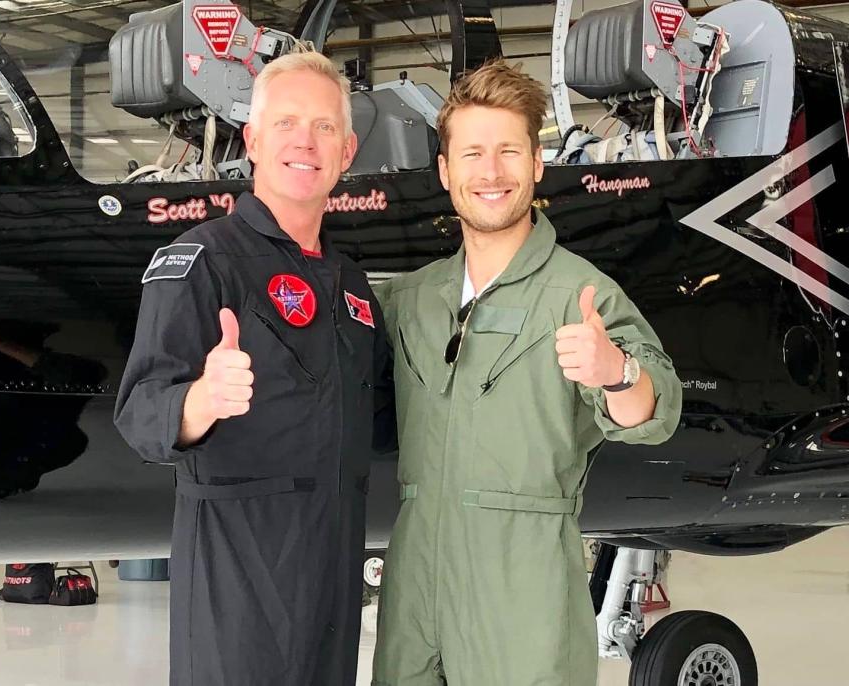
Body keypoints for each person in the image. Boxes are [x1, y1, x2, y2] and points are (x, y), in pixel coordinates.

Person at [371, 60, 683, 686]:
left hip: (523, 593)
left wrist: (615, 371)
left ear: (537, 165)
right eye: (473, 153)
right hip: (412, 588)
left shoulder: (580, 294)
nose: (490, 172)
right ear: (445, 170)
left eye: (510, 151)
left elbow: (656, 410)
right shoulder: (409, 299)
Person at [114, 50, 390, 686]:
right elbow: (140, 409)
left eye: (324, 127)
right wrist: (203, 400)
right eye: (287, 123)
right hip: (238, 575)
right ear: (254, 140)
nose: (305, 141)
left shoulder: (350, 283)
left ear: (347, 152)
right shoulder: (203, 261)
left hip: (333, 572)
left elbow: (383, 417)